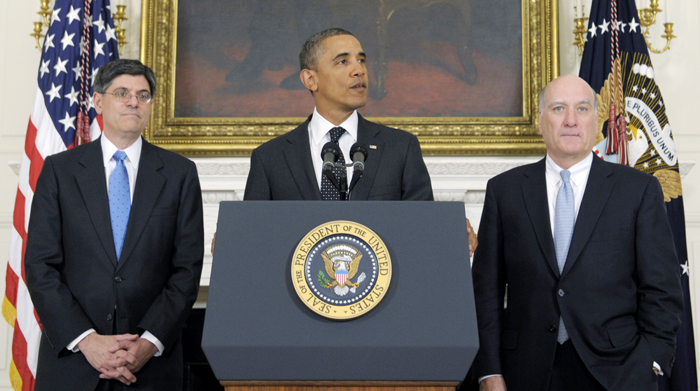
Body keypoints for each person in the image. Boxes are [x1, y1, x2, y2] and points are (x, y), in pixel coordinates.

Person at [471, 74, 682, 391]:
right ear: (541, 121)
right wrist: (489, 371)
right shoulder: (505, 191)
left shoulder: (637, 190)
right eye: (558, 109)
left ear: (597, 121)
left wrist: (650, 362)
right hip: (523, 373)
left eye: (582, 109)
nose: (570, 121)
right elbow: (484, 292)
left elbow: (662, 289)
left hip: (619, 373)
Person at [25, 59, 204, 390]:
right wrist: (88, 341)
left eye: (143, 95)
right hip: (74, 363)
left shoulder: (180, 174)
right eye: (122, 93)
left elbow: (187, 270)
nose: (133, 101)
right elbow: (40, 266)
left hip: (151, 367)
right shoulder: (59, 172)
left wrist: (148, 343)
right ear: (98, 101)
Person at [240, 27, 476, 251]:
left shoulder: (400, 148)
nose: (359, 70)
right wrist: (235, 238)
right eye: (343, 61)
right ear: (310, 79)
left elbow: (422, 229)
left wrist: (449, 233)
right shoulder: (270, 158)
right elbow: (255, 237)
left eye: (361, 60)